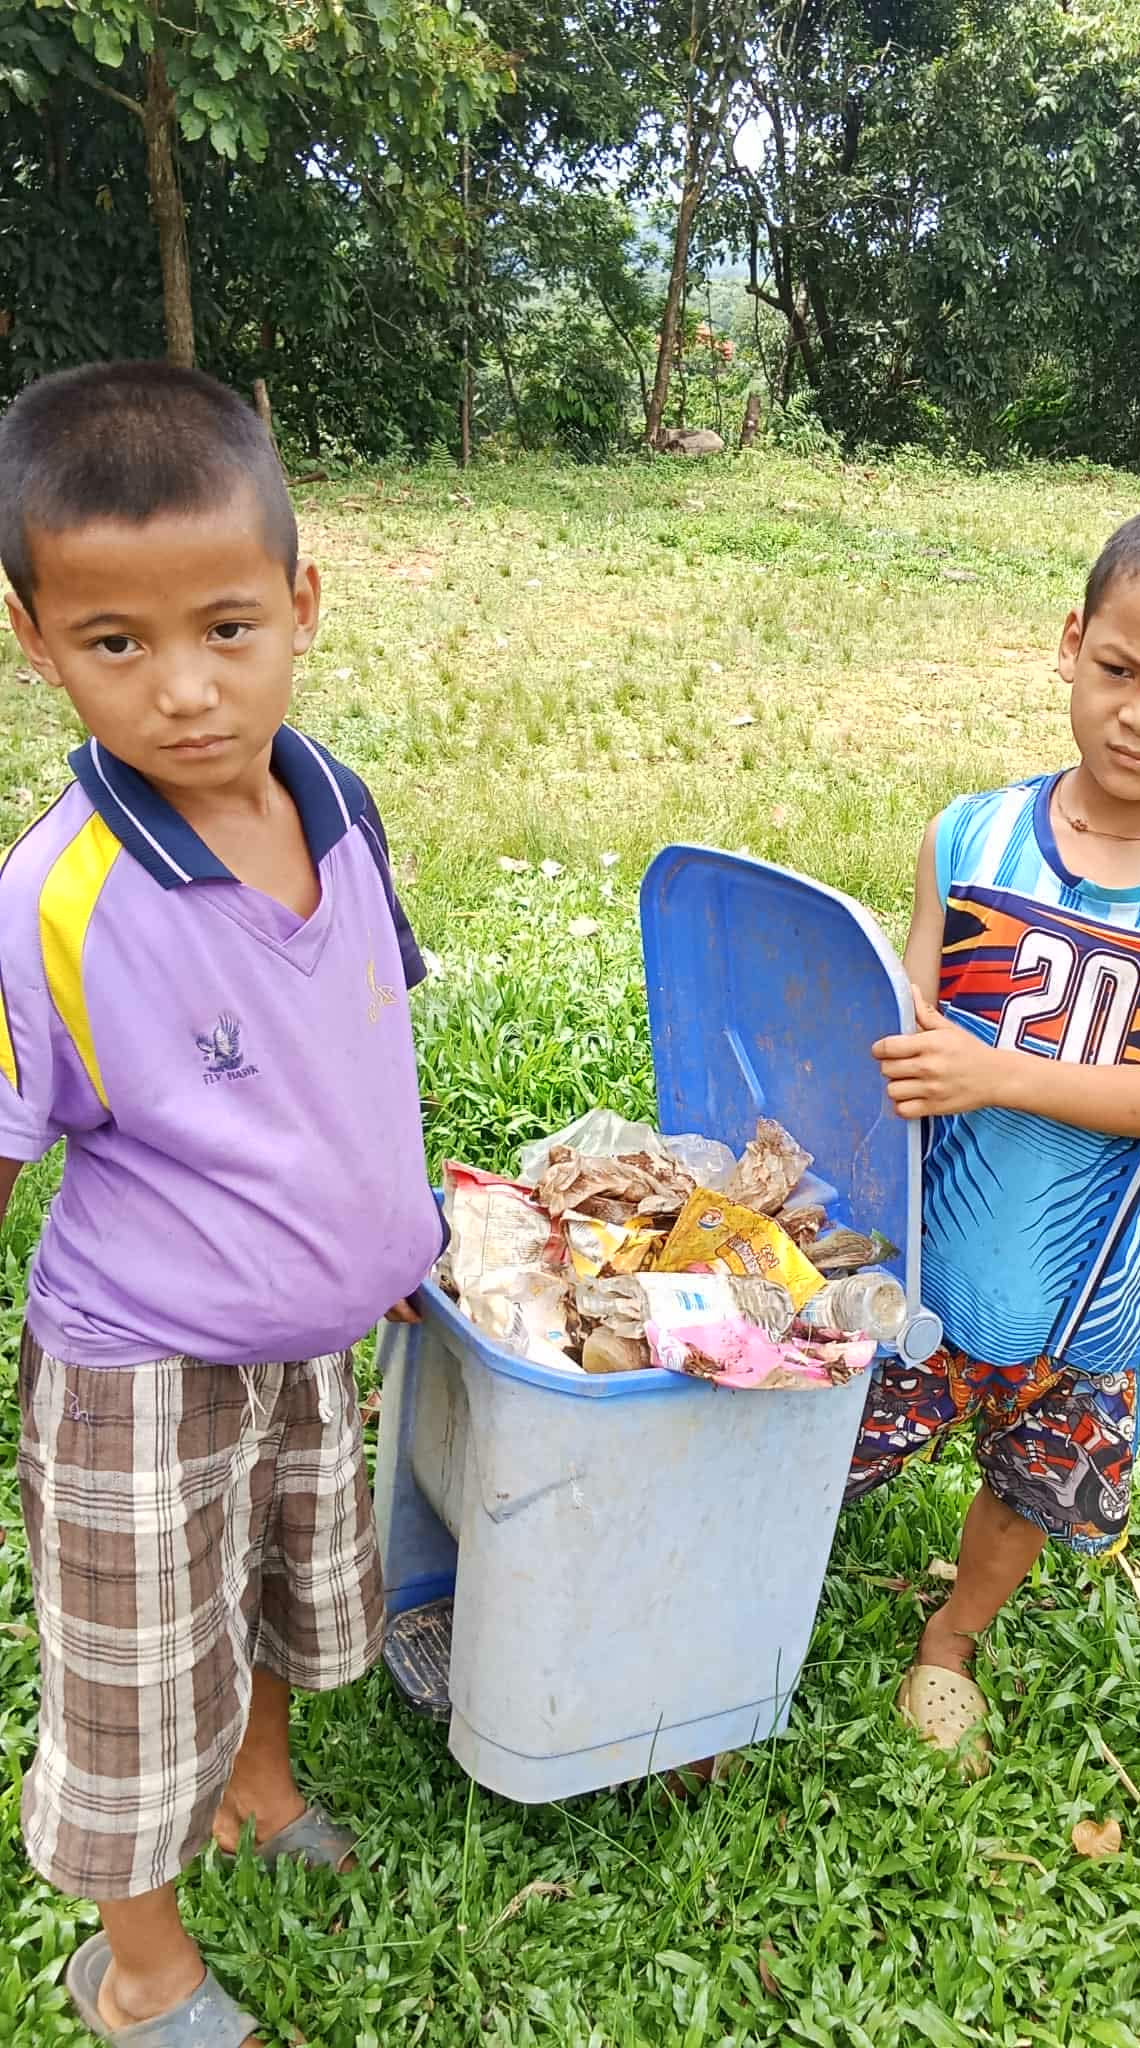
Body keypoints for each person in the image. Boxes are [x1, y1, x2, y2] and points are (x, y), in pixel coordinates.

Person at [0, 362, 444, 2046]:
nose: (184, 689)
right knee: (136, 1679)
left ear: (303, 603)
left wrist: (386, 1231)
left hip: (309, 1339)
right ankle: (141, 1969)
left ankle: (263, 1787)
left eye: (228, 627)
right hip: (139, 1371)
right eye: (117, 641)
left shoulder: (332, 802)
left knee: (280, 1588)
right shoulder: (57, 899)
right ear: (36, 637)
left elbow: (354, 1039)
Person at [849, 497, 1140, 1775]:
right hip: (924, 1261)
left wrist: (998, 1068)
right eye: (1118, 669)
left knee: (1024, 1485)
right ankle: (751, 1600)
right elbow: (908, 1010)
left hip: (1083, 1297)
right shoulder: (975, 833)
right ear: (1072, 643)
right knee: (823, 1439)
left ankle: (951, 1639)